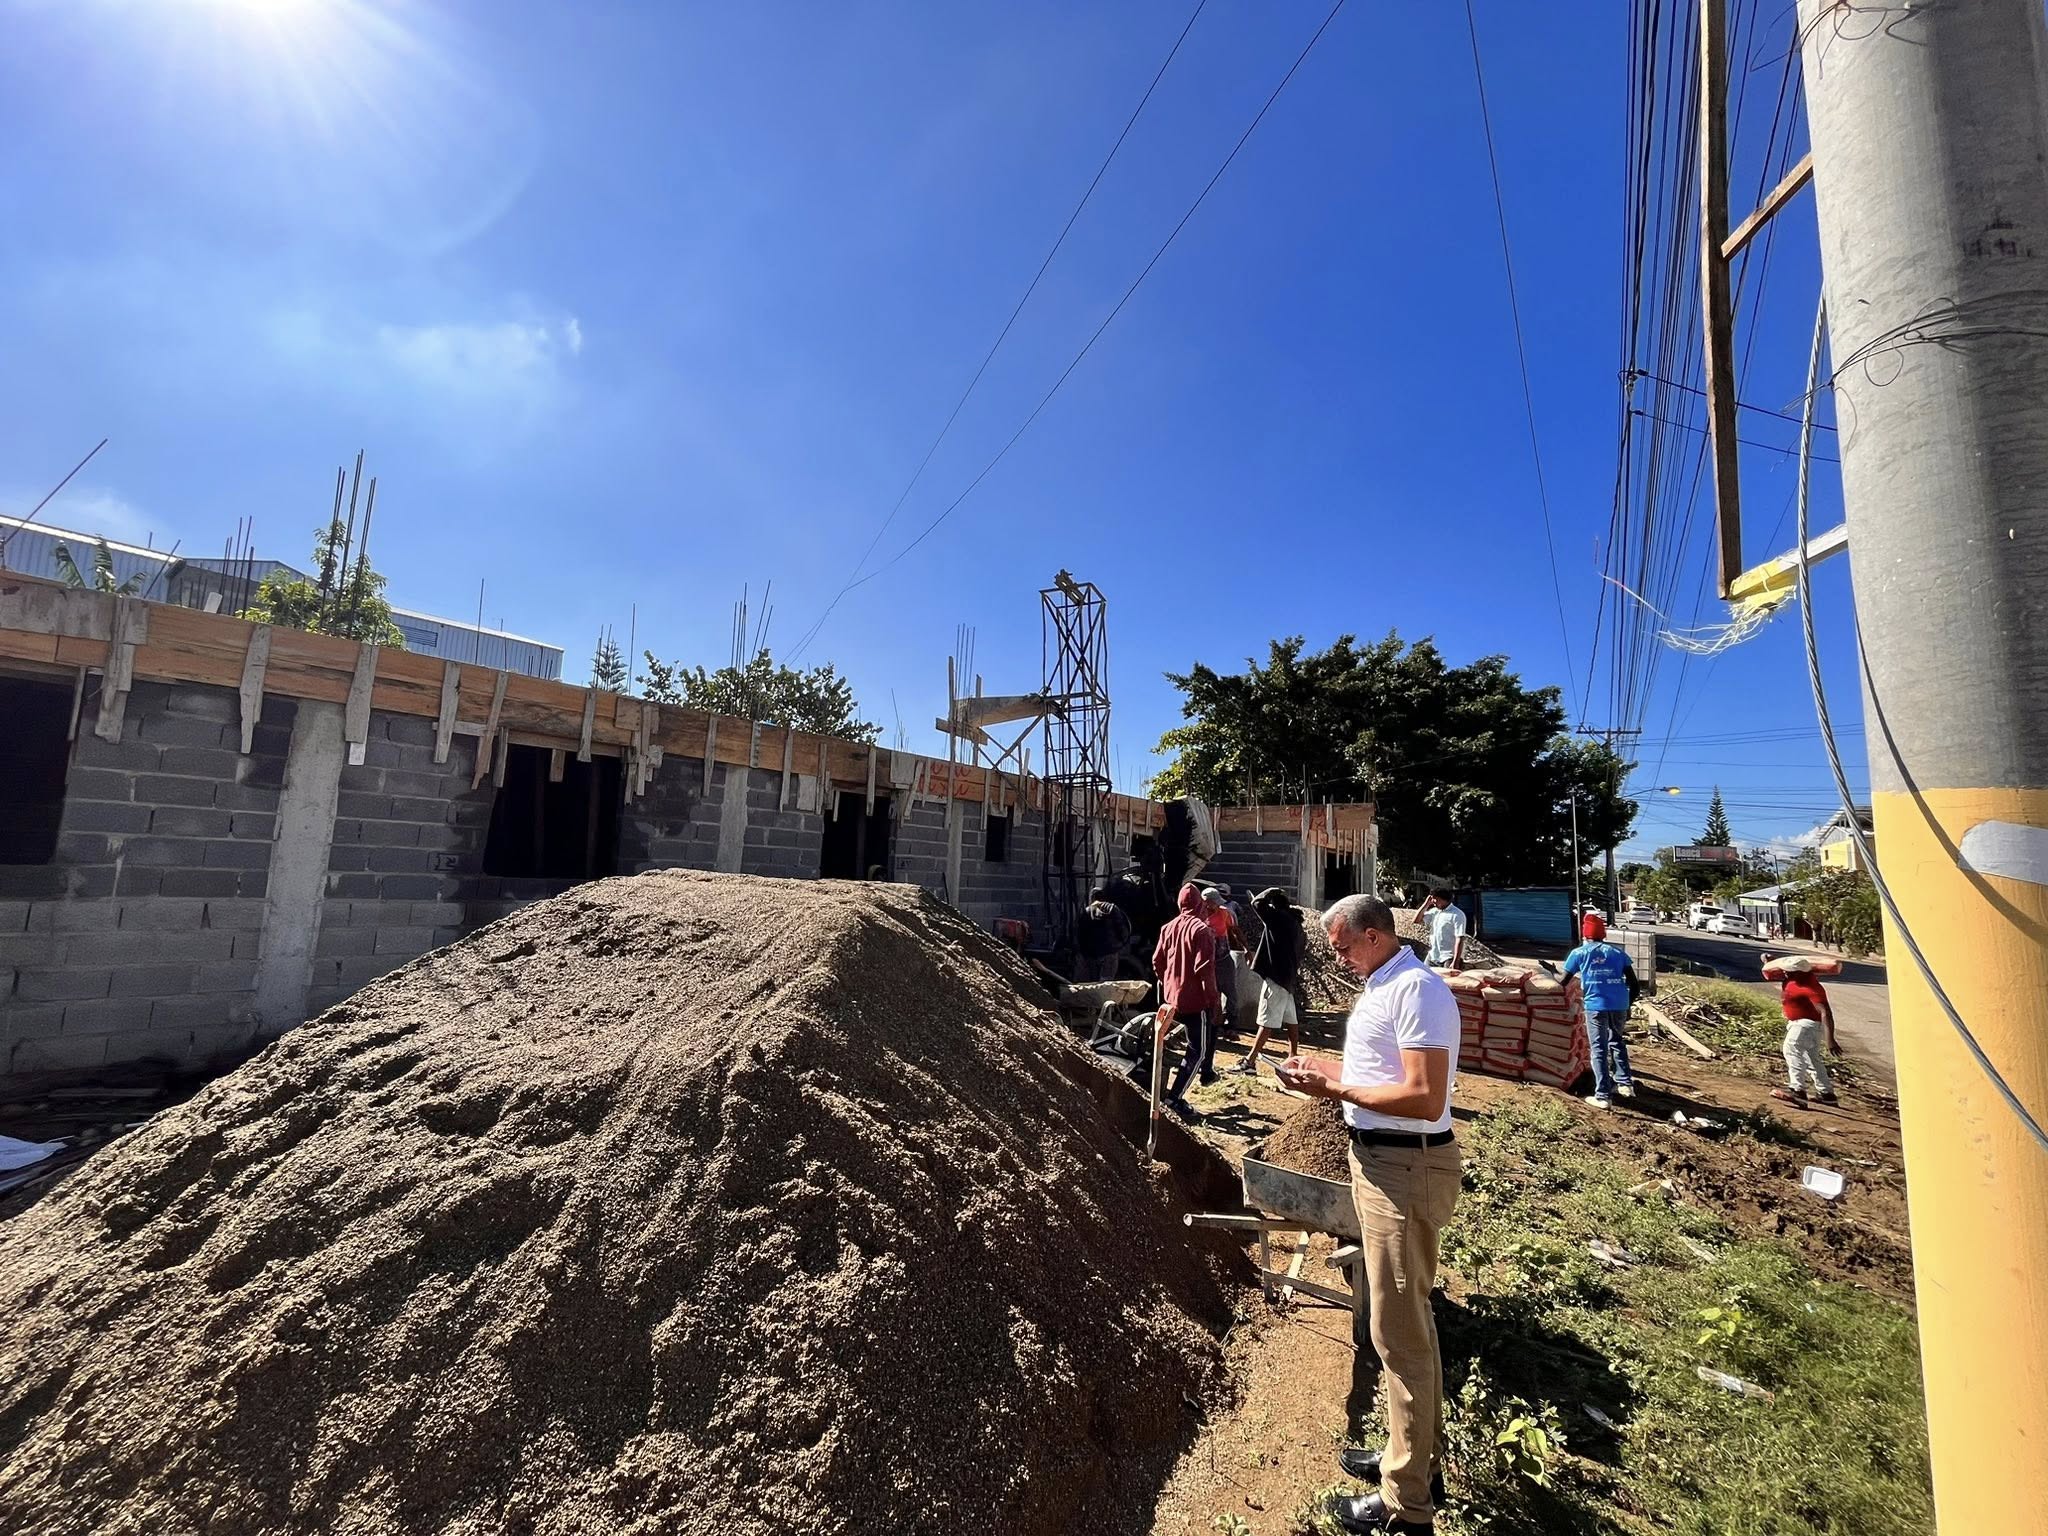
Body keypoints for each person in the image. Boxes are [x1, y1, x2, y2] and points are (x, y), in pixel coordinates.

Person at [1276, 896, 1459, 1534]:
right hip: (1381, 1162)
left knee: (1399, 1334)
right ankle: (1406, 1456)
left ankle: (1406, 1506)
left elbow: (1424, 1096)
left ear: (1375, 936)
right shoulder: (1383, 983)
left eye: (1344, 948)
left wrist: (1334, 1089)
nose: (1340, 960)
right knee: (1402, 1322)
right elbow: (1377, 1070)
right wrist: (1323, 1069)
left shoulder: (1417, 991)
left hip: (1405, 1170)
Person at [1152, 883, 1220, 1122]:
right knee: (1198, 1050)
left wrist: (1168, 984)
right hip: (1194, 1001)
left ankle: (1159, 1088)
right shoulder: (1202, 931)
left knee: (1165, 1044)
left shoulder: (1167, 928)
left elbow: (1157, 962)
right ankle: (1174, 1098)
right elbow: (1205, 971)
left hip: (1170, 1000)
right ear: (1200, 904)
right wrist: (1213, 1002)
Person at [1562, 913, 1641, 1109]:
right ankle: (1625, 1084)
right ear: (1603, 934)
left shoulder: (1579, 953)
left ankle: (1602, 1095)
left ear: (1585, 934)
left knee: (1598, 1048)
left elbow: (1563, 981)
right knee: (1617, 1041)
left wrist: (1550, 972)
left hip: (1596, 1005)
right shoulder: (1617, 953)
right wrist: (1627, 1004)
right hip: (1620, 1004)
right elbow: (1635, 985)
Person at [1237, 887, 1305, 1075]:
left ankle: (1250, 1062)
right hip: (1288, 979)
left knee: (1266, 1020)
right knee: (1291, 1019)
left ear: (1274, 907)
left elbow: (1256, 903)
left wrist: (1270, 891)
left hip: (1276, 978)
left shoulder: (1277, 920)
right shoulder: (1297, 926)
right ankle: (1293, 1055)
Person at [1763, 953, 1840, 1107]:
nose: (1785, 972)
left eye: (1789, 971)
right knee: (1811, 1057)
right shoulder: (1793, 979)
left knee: (1791, 1049)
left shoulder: (1810, 987)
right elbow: (1775, 973)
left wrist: (1830, 1039)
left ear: (1800, 972)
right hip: (1804, 1025)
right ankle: (1826, 1093)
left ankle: (1797, 1089)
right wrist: (1767, 962)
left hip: (1805, 1025)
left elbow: (1825, 1012)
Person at [1200, 887, 1239, 1081]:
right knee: (1211, 995)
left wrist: (1246, 950)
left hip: (1224, 959)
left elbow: (1234, 932)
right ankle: (1212, 1027)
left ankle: (1231, 1025)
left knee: (1230, 993)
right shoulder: (1198, 917)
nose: (1216, 906)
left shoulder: (1225, 913)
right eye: (1214, 902)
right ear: (1206, 902)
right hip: (1209, 963)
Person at [1074, 885, 1132, 982]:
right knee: (1106, 983)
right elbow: (1123, 930)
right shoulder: (1113, 909)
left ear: (1092, 898)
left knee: (1093, 983)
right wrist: (1120, 946)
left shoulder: (1086, 911)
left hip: (1092, 955)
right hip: (1110, 953)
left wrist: (1085, 953)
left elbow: (1081, 935)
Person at [1417, 887, 1467, 970]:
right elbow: (1416, 920)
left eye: (1435, 899)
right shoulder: (1435, 912)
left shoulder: (1457, 915)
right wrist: (1426, 904)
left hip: (1448, 957)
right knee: (1425, 977)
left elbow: (1460, 938)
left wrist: (1456, 961)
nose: (1433, 902)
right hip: (1433, 955)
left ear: (1443, 899)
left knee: (1448, 981)